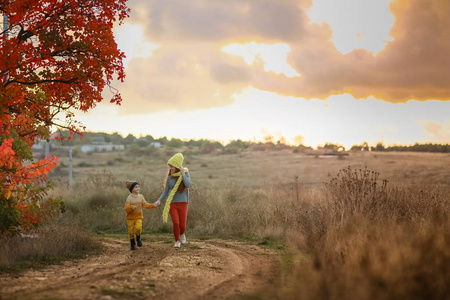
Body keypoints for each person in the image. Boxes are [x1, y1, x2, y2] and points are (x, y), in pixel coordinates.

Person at [155, 153, 191, 248]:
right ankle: (177, 241)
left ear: (177, 166)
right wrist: (159, 200)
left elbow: (188, 185)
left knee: (182, 226)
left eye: (172, 166)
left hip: (183, 203)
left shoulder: (186, 173)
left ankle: (182, 234)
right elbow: (166, 192)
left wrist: (183, 174)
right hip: (172, 204)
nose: (170, 168)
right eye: (170, 167)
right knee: (176, 223)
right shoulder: (169, 178)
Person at [124, 181, 159, 250]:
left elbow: (145, 205)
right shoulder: (129, 198)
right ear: (132, 189)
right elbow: (126, 208)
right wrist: (131, 207)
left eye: (138, 187)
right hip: (130, 218)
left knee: (138, 228)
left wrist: (153, 205)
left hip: (138, 217)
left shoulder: (141, 197)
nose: (138, 188)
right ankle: (132, 243)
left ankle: (138, 238)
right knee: (131, 232)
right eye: (136, 187)